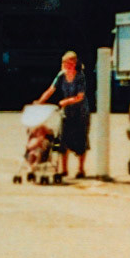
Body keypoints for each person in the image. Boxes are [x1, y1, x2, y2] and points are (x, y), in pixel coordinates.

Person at [37, 51, 92, 179]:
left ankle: (80, 169)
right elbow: (51, 90)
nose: (67, 66)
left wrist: (65, 101)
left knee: (81, 140)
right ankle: (64, 169)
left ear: (75, 64)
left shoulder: (80, 77)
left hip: (80, 112)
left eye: (70, 63)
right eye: (65, 63)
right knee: (63, 139)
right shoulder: (61, 75)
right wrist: (40, 101)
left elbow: (80, 96)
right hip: (67, 112)